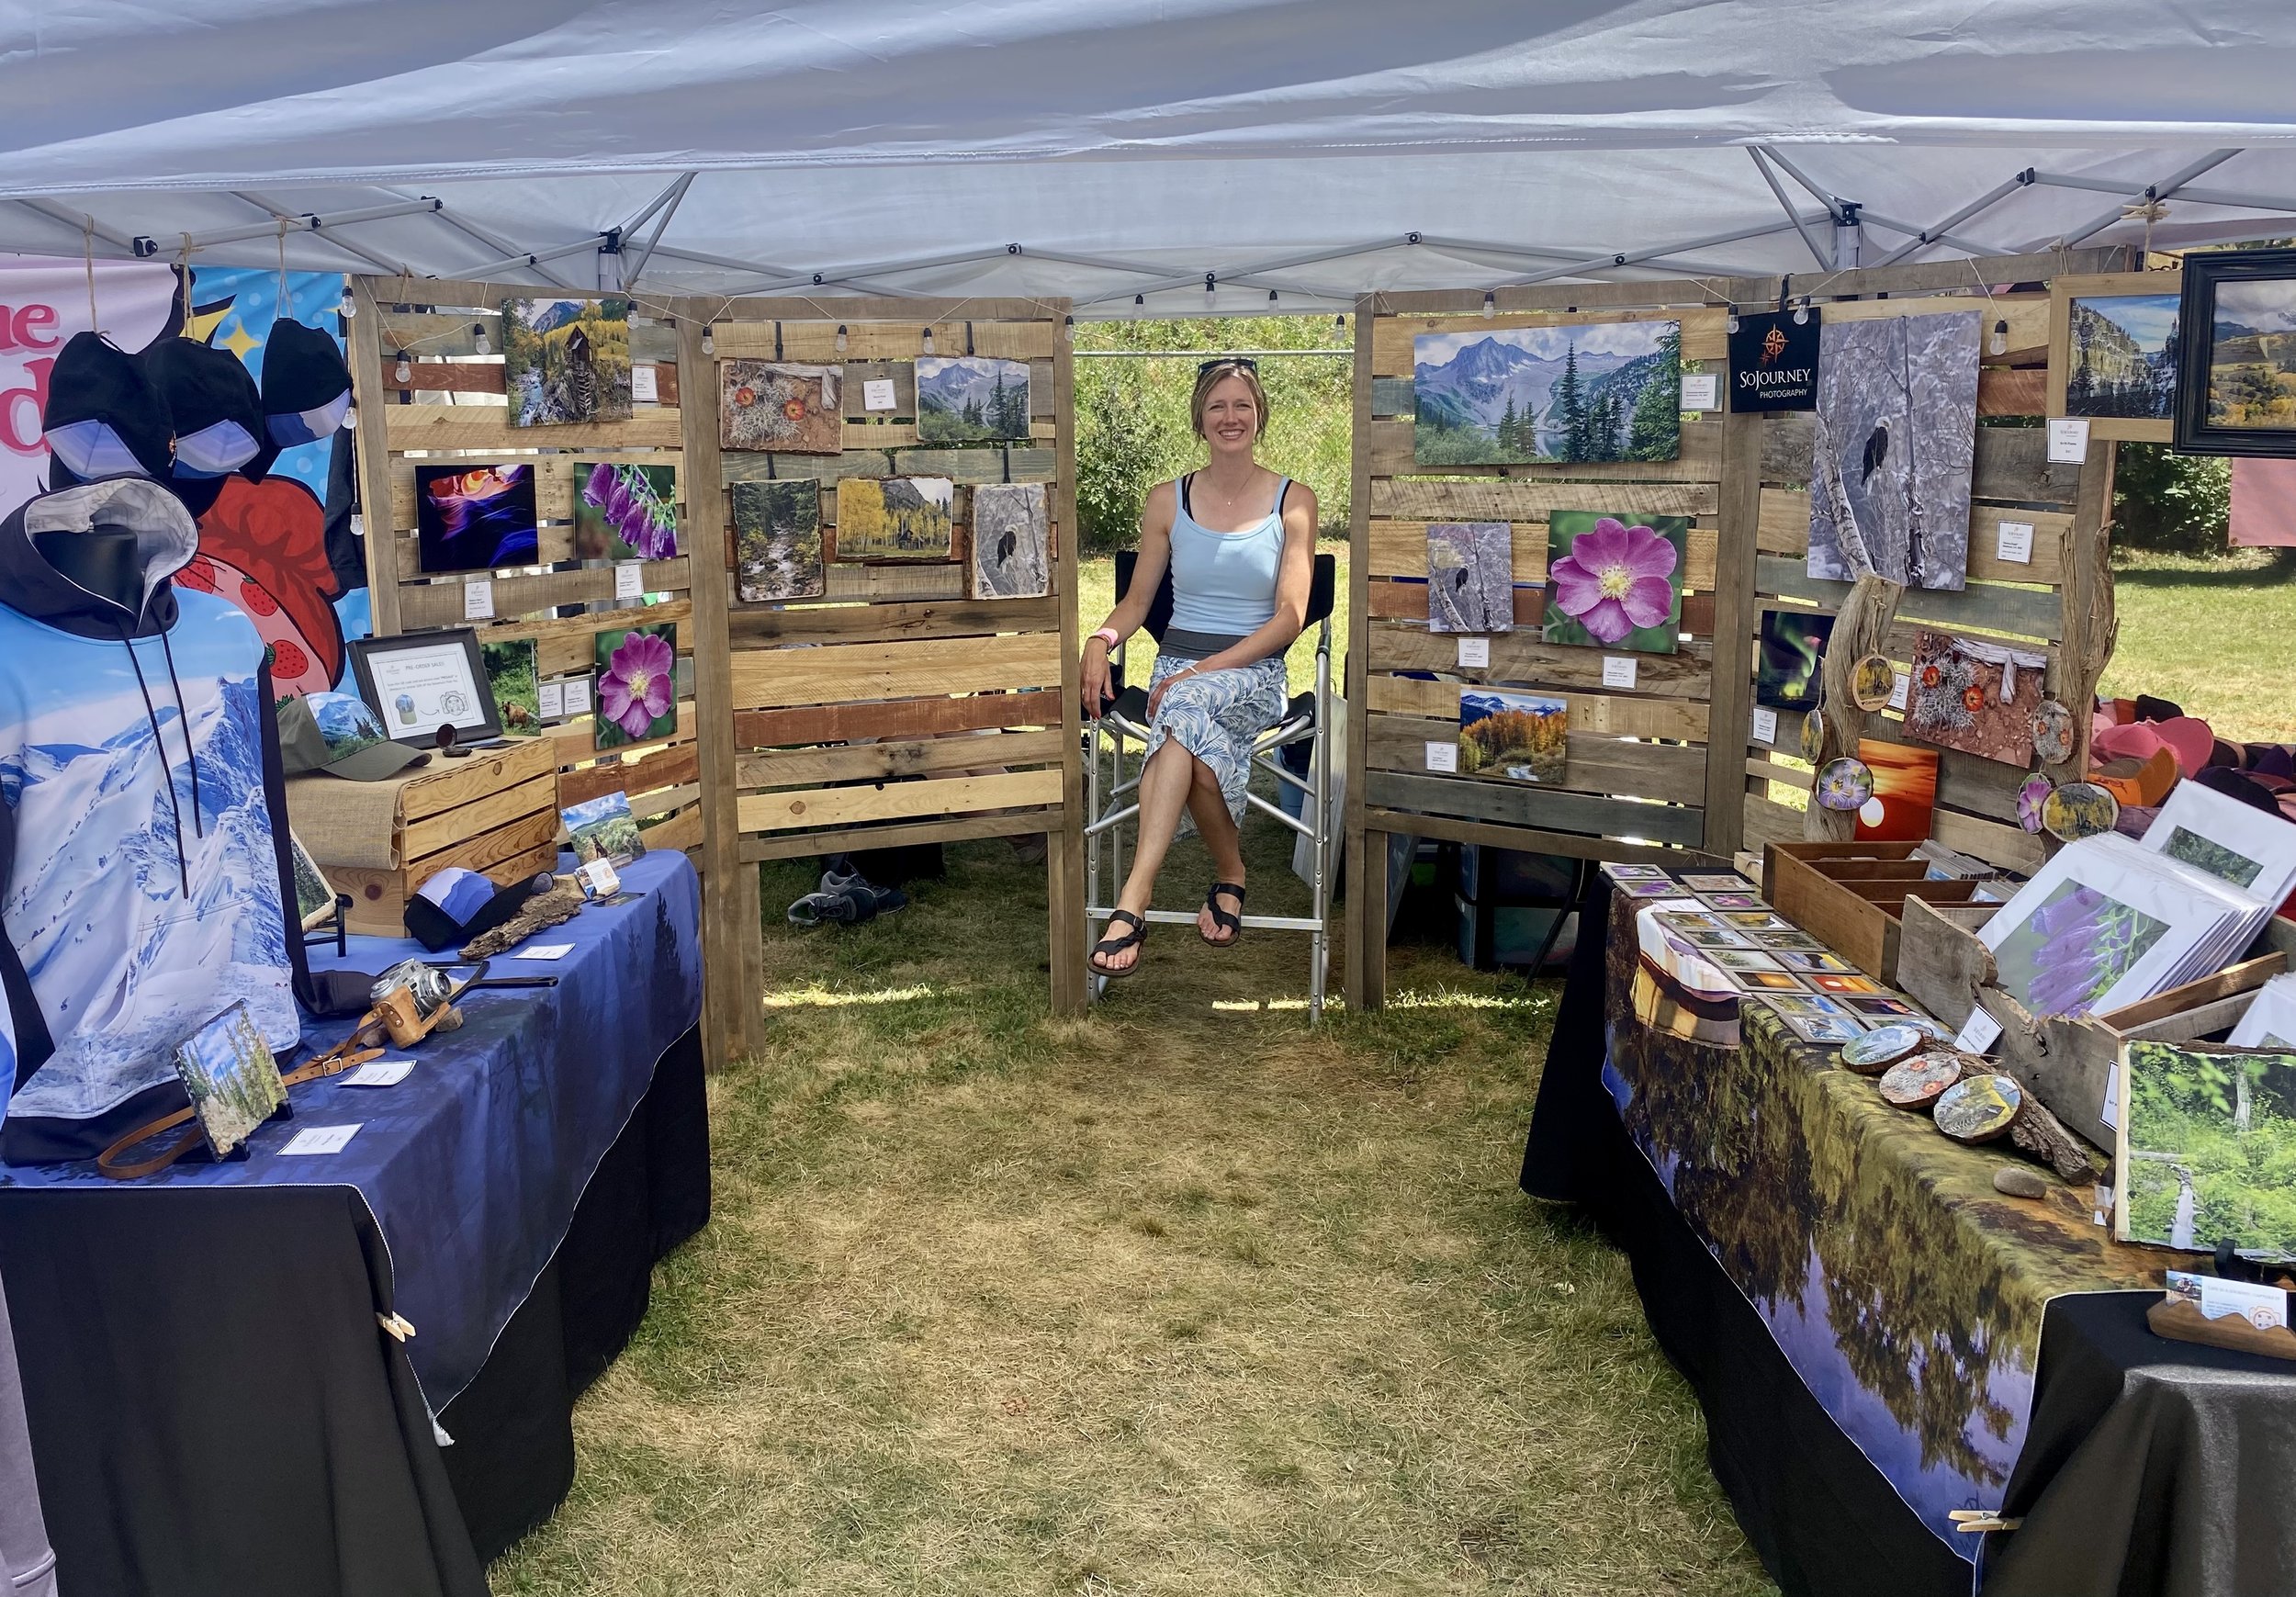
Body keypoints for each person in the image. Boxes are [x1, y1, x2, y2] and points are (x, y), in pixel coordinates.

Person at [1081, 357, 1317, 977]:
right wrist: (1100, 638)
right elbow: (1137, 602)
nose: (1230, 417)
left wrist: (1205, 669)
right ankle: (1231, 871)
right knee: (1189, 734)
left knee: (1180, 708)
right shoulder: (1167, 500)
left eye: (1242, 404)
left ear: (1259, 413)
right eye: (1217, 406)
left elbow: (1291, 616)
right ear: (1200, 418)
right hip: (1178, 670)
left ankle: (1134, 899)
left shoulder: (1294, 501)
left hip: (1253, 669)